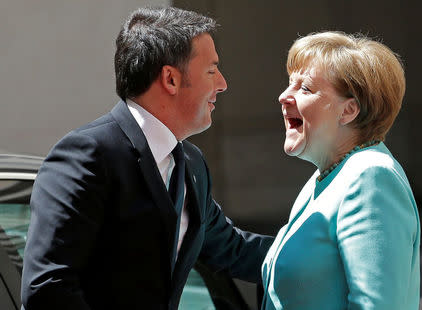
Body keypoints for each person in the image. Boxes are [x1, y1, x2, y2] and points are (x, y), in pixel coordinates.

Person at [21, 7, 273, 310]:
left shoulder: (192, 164)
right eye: (211, 70)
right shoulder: (87, 155)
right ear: (170, 79)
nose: (222, 83)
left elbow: (234, 250)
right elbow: (48, 288)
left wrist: (322, 247)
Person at [261, 31, 420, 309]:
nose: (284, 96)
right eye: (289, 84)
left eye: (305, 88)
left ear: (348, 111)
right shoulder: (326, 176)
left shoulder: (371, 178)